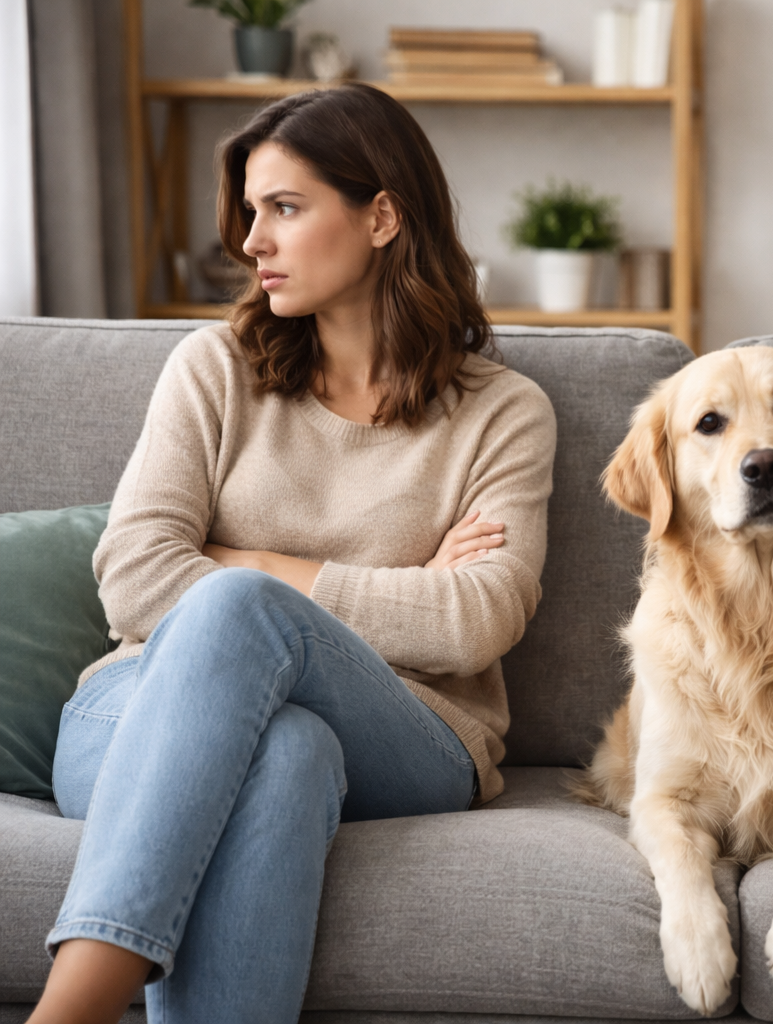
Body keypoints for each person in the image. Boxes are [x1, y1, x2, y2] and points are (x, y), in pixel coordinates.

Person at [28, 84, 556, 1024]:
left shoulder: (502, 414)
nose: (251, 242)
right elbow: (135, 576)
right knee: (288, 750)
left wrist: (255, 570)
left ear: (382, 216)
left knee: (236, 606)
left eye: (284, 208)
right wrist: (404, 588)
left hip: (408, 730)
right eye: (250, 212)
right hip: (136, 708)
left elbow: (477, 619)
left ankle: (69, 1011)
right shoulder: (214, 371)